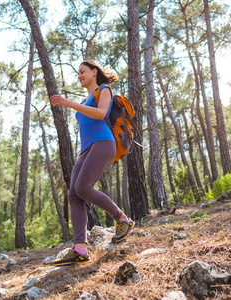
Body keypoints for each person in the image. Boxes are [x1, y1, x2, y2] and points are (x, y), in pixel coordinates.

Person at [50, 59, 135, 266]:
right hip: (86, 149)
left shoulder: (104, 89)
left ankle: (123, 220)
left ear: (94, 72)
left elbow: (101, 113)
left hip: (103, 143)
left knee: (83, 187)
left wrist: (69, 103)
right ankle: (80, 249)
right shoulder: (87, 98)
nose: (79, 75)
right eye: (78, 73)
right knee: (74, 193)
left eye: (82, 71)